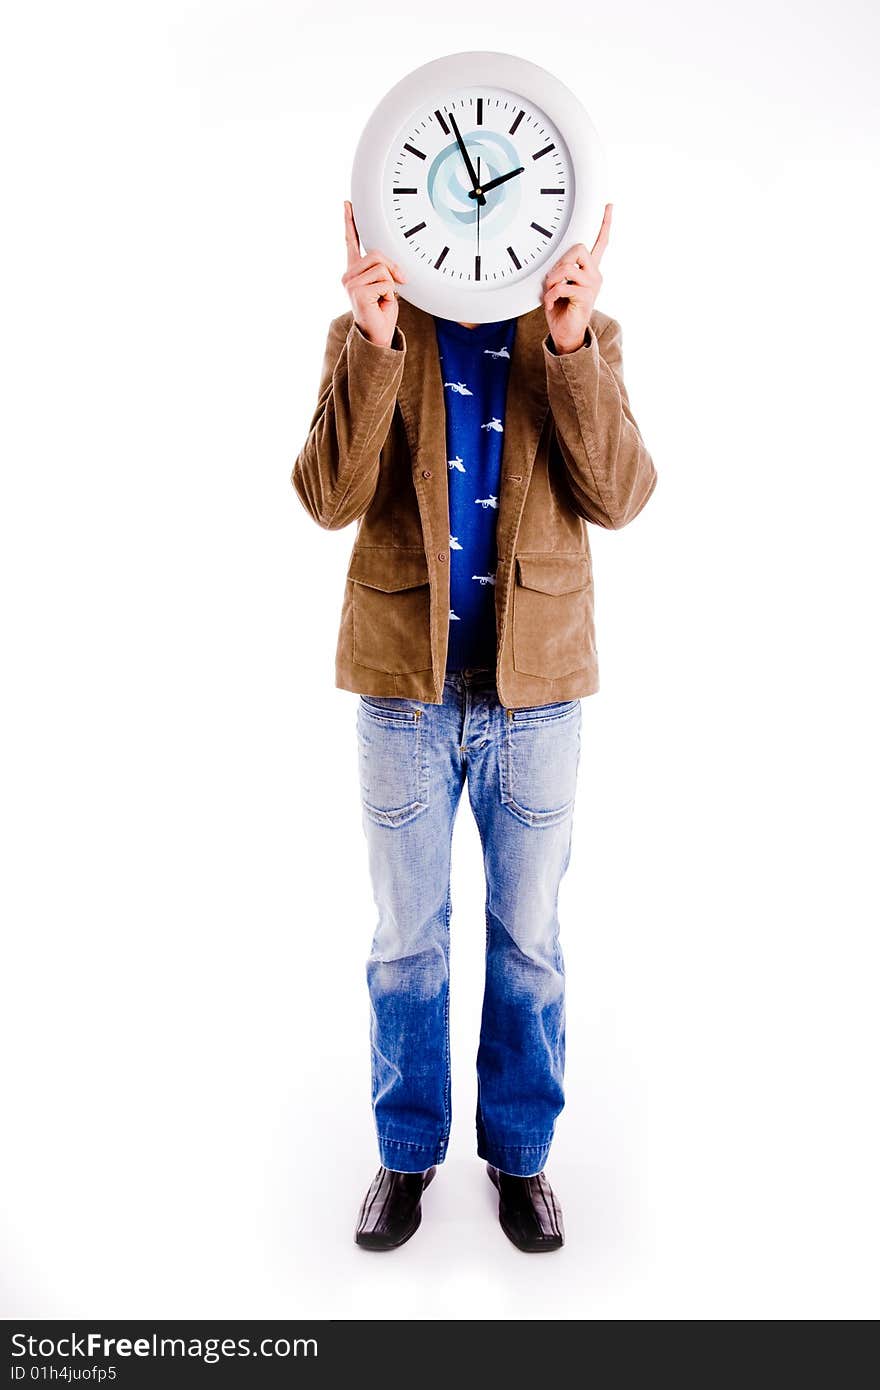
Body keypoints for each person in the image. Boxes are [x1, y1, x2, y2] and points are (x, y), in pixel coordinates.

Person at [291, 197, 656, 1253]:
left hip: (535, 696)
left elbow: (621, 495)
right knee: (407, 943)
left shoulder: (575, 330)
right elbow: (325, 496)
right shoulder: (377, 329)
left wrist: (573, 343)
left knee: (527, 941)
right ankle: (406, 1155)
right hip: (402, 691)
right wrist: (370, 344)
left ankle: (521, 1155)